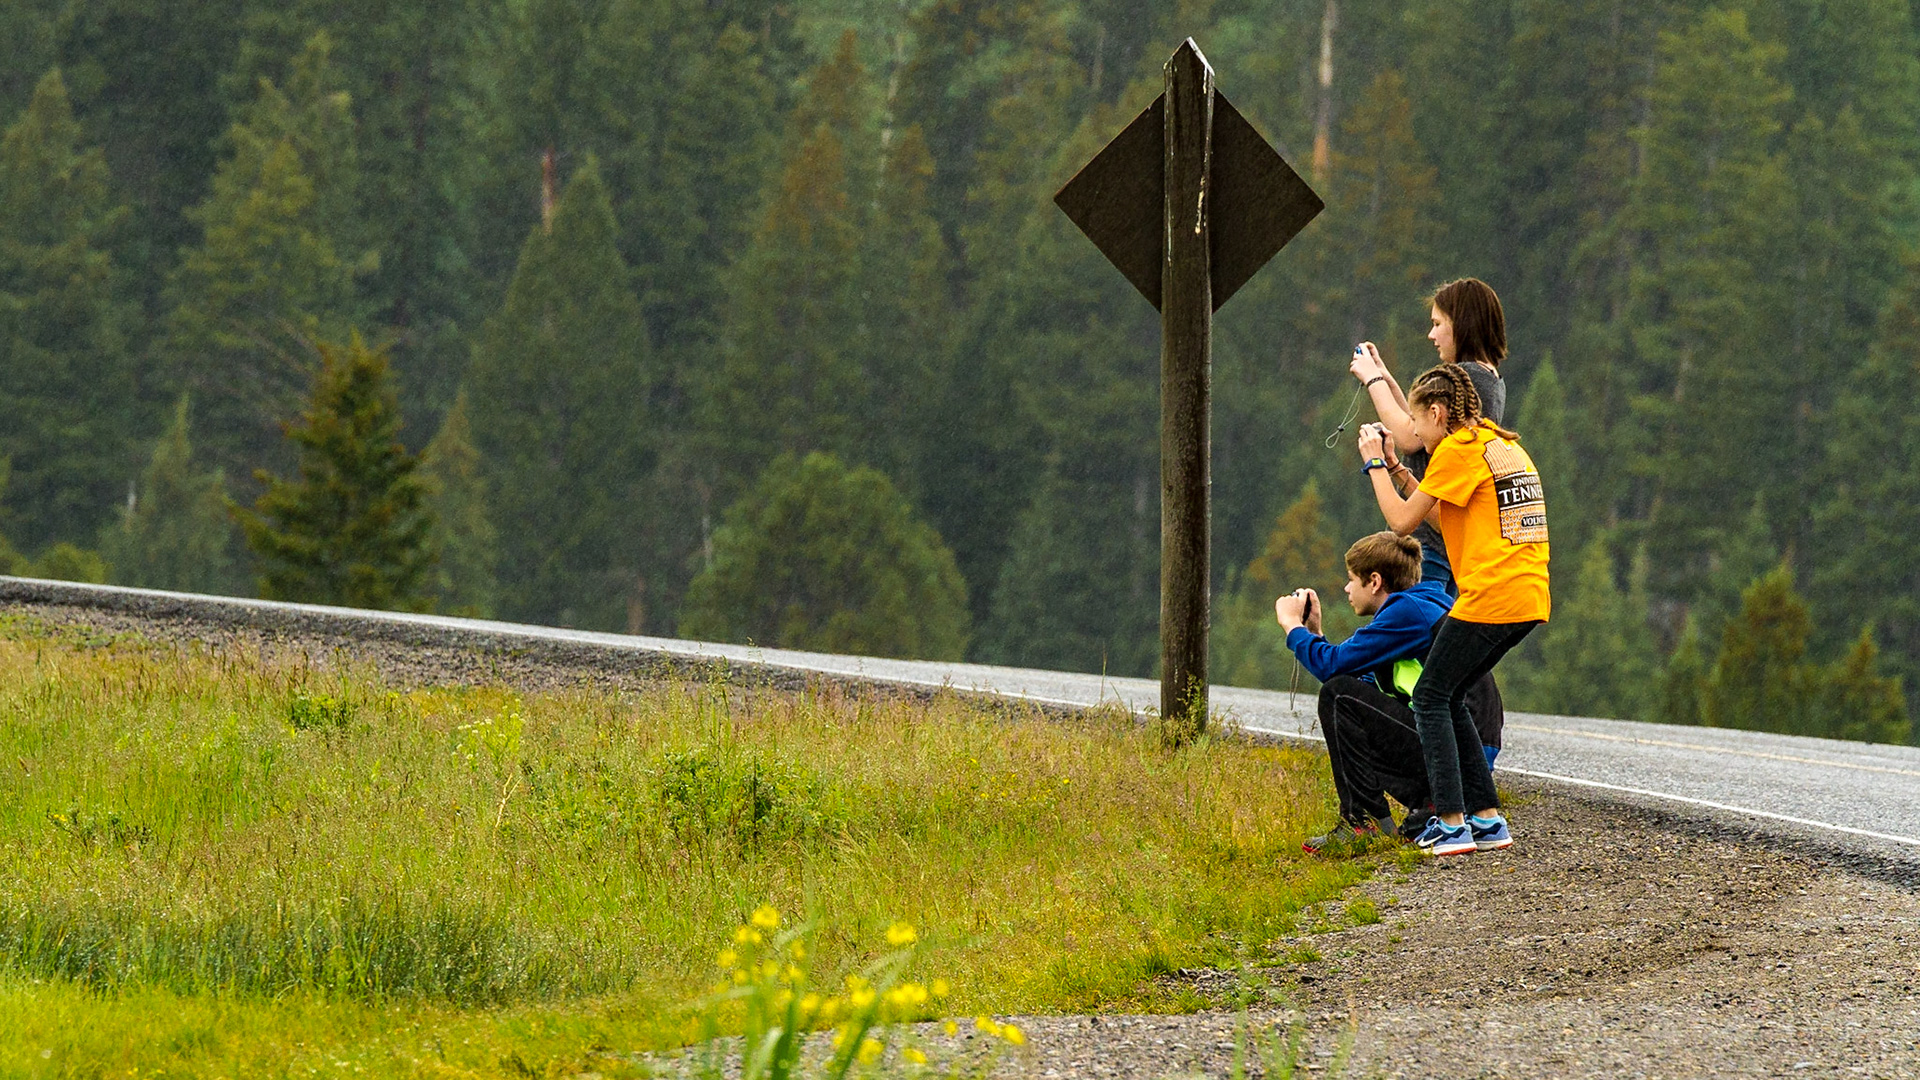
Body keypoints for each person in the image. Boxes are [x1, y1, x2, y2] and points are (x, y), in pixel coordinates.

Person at [1359, 363, 1549, 857]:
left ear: (1438, 413)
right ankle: (1486, 818)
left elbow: (1401, 524)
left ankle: (1449, 822)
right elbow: (1446, 521)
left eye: (1417, 423)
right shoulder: (1496, 444)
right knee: (1451, 692)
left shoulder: (1455, 449)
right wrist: (1400, 471)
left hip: (1491, 596)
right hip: (1528, 596)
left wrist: (1374, 464)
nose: (1415, 435)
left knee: (1428, 696)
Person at [1274, 532, 1504, 856]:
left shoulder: (1407, 613)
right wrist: (1315, 633)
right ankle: (1429, 806)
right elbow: (1364, 686)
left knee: (1338, 696)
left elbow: (1334, 672)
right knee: (1347, 698)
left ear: (1375, 581)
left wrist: (1292, 627)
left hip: (1455, 756)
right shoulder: (1424, 604)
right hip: (1467, 759)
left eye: (1351, 579)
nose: (1346, 589)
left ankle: (1363, 823)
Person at [1347, 278, 1509, 595]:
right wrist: (1386, 376)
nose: (1431, 335)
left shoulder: (1467, 377)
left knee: (1414, 621)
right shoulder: (1490, 379)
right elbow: (1418, 422)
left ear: (1461, 324)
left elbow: (1409, 437)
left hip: (1428, 547)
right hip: (1446, 544)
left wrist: (1373, 379)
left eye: (1437, 324)